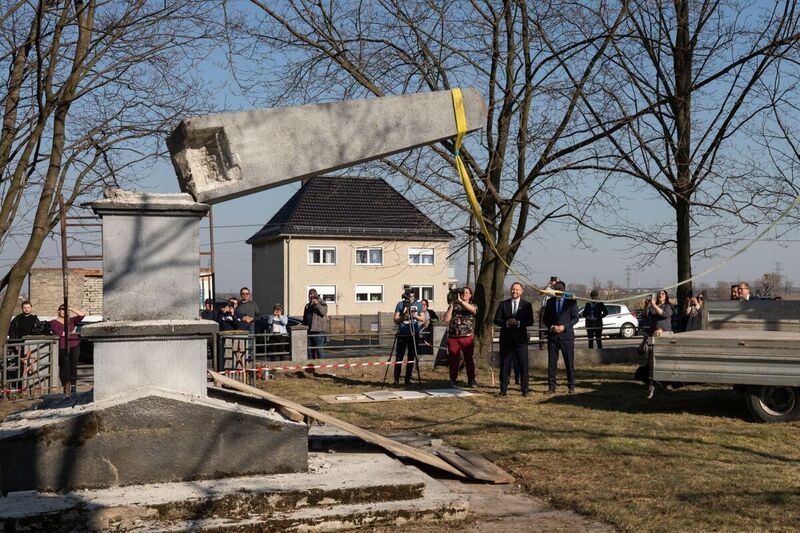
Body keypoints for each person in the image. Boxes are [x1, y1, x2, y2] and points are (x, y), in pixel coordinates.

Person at [493, 282, 534, 396]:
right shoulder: (503, 304)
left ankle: (525, 390)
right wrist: (506, 322)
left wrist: (519, 322)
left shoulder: (527, 305)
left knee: (523, 365)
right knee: (505, 365)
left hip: (521, 340)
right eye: (512, 289)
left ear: (521, 291)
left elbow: (530, 321)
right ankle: (503, 390)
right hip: (506, 340)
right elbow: (496, 319)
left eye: (517, 290)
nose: (514, 292)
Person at [543, 281, 579, 394]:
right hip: (553, 337)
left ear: (563, 290)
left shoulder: (571, 302)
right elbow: (545, 319)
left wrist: (564, 327)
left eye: (559, 289)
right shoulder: (550, 302)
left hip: (566, 336)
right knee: (552, 363)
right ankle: (551, 387)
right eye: (555, 289)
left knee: (569, 362)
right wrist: (551, 326)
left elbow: (575, 318)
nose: (557, 291)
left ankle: (571, 385)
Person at [443, 287, 478, 388]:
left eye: (466, 293)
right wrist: (452, 306)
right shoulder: (454, 305)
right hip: (454, 337)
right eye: (462, 293)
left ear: (470, 295)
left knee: (469, 359)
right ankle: (453, 380)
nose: (464, 294)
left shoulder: (472, 305)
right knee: (453, 359)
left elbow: (473, 310)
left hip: (467, 337)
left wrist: (461, 301)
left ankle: (471, 380)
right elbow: (446, 319)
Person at [49, 304, 85, 394]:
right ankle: (65, 386)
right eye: (62, 310)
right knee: (64, 367)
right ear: (58, 311)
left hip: (74, 345)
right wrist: (72, 333)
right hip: (62, 347)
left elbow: (82, 315)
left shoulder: (71, 320)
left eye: (66, 310)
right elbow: (59, 332)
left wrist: (72, 308)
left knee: (73, 367)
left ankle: (73, 388)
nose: (64, 312)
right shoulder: (53, 322)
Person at [393, 287, 424, 386]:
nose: (410, 297)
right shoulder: (400, 304)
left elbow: (422, 318)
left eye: (412, 295)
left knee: (411, 356)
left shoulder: (418, 305)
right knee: (399, 356)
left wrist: (414, 316)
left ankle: (408, 379)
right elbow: (396, 319)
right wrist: (404, 317)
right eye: (408, 294)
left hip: (414, 333)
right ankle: (396, 379)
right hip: (402, 332)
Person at [303, 288, 328, 364]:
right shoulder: (307, 306)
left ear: (316, 295)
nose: (311, 296)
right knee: (310, 351)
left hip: (318, 332)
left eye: (312, 294)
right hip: (309, 331)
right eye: (309, 294)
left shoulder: (322, 303)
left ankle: (322, 366)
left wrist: (317, 304)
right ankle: (311, 366)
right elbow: (305, 317)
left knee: (319, 350)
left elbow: (323, 312)